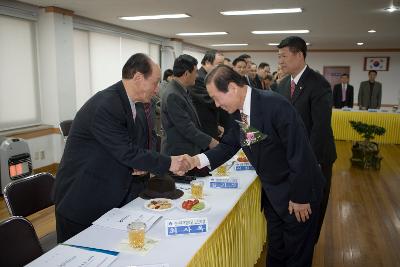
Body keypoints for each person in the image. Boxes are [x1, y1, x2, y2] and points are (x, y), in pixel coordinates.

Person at [189, 65, 325, 267]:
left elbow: (300, 153)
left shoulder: (275, 105)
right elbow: (228, 145)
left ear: (233, 88)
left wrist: (300, 197)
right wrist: (196, 160)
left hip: (298, 193)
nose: (216, 105)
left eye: (217, 98)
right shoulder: (236, 112)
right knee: (277, 251)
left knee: (297, 256)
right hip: (273, 195)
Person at [54, 53, 192, 243]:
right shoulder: (107, 105)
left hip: (105, 193)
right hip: (81, 199)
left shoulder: (127, 103)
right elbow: (126, 151)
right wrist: (170, 162)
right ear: (137, 78)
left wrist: (135, 165)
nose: (157, 88)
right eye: (155, 82)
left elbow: (117, 148)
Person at [276, 36, 337, 243]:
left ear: (299, 54)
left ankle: (310, 244)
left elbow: (319, 129)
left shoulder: (318, 84)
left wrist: (306, 163)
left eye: (284, 56)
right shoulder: (283, 85)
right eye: (279, 57)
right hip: (292, 158)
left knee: (314, 207)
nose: (280, 61)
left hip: (316, 158)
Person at [161, 54, 218, 158]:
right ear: (186, 73)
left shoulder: (181, 90)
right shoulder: (173, 94)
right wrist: (210, 141)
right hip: (179, 153)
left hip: (188, 149)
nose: (197, 75)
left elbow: (192, 118)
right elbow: (186, 127)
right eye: (195, 72)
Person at [190, 50, 225, 140]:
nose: (221, 67)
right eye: (219, 64)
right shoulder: (198, 78)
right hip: (203, 125)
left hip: (213, 123)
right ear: (207, 62)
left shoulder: (210, 76)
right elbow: (210, 101)